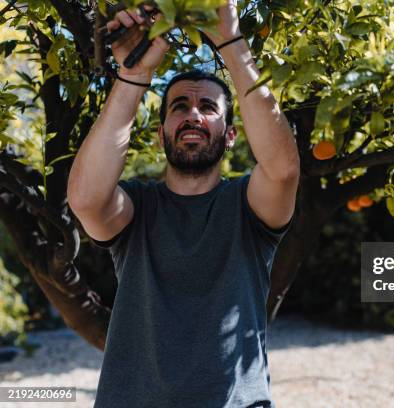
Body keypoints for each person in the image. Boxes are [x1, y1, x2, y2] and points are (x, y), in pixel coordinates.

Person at [66, 1, 299, 407]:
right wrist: (134, 76)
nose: (193, 115)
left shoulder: (248, 208)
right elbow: (86, 200)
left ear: (229, 137)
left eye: (208, 108)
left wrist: (229, 39)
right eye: (179, 107)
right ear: (161, 135)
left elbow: (283, 170)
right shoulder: (137, 208)